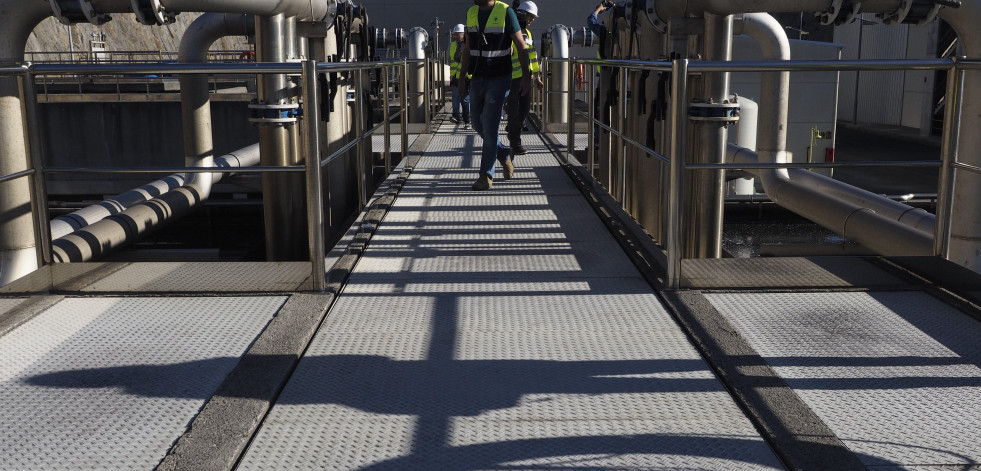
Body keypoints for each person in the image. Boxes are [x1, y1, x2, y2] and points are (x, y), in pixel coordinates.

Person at [459, 0, 532, 191]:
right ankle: (504, 155)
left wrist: (526, 78)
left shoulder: (506, 12)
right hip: (477, 77)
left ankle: (485, 176)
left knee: (490, 127)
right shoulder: (471, 12)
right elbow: (467, 49)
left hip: (499, 79)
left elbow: (521, 46)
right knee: (477, 123)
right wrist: (461, 79)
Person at [505, 1, 543, 157]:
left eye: (533, 17)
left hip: (525, 78)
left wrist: (536, 77)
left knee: (525, 109)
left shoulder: (528, 34)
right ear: (521, 14)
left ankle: (512, 130)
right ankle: (515, 142)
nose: (532, 20)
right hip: (513, 79)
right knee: (514, 112)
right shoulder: (509, 32)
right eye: (530, 17)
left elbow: (532, 57)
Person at [448, 24, 471, 128]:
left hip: (465, 77)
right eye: (455, 35)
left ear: (463, 35)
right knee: (455, 99)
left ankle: (467, 121)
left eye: (458, 34)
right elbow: (450, 60)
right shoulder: (452, 45)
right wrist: (451, 75)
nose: (456, 36)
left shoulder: (468, 44)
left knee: (465, 100)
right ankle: (456, 117)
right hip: (455, 77)